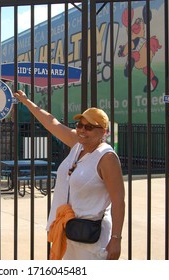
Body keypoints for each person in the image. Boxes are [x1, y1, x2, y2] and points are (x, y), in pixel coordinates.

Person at [14, 89, 125, 260]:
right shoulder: (78, 144)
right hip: (68, 231)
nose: (82, 130)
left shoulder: (106, 157)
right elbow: (51, 122)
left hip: (92, 237)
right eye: (79, 125)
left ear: (103, 132)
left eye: (89, 127)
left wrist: (116, 239)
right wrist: (27, 102)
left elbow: (118, 201)